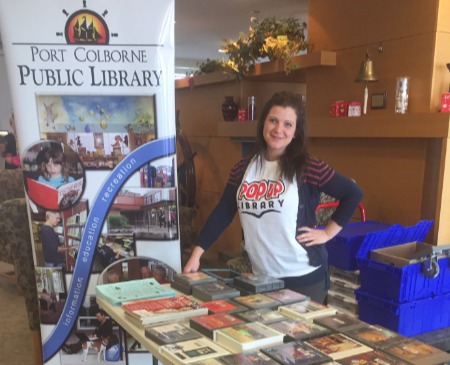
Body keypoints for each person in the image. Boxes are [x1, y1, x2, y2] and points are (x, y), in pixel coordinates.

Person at [183, 91, 363, 303]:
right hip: (262, 277)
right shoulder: (243, 169)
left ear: (296, 132)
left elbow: (353, 193)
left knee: (294, 337)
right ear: (263, 124)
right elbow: (223, 212)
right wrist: (196, 254)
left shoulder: (308, 167)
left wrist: (326, 233)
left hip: (303, 278)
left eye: (288, 124)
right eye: (273, 121)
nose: (279, 129)